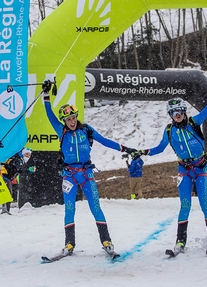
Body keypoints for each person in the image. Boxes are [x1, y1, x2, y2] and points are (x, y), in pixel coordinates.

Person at [42, 80, 136, 256]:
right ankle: (69, 244)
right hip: (69, 176)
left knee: (96, 207)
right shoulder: (61, 131)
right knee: (70, 208)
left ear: (76, 116)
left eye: (73, 117)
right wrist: (46, 96)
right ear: (64, 120)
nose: (71, 121)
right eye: (68, 119)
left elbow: (105, 141)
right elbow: (49, 115)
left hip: (87, 174)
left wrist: (124, 148)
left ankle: (106, 241)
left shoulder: (87, 130)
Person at [138, 80, 207, 256]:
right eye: (173, 113)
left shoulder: (194, 122)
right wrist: (142, 151)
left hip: (201, 168)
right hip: (184, 171)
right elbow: (160, 149)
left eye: (179, 111)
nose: (177, 115)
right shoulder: (169, 131)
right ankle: (180, 241)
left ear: (184, 111)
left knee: (205, 204)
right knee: (184, 205)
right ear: (170, 115)